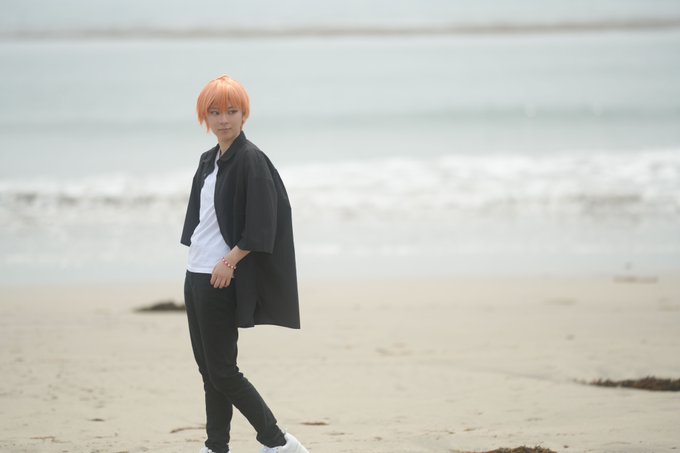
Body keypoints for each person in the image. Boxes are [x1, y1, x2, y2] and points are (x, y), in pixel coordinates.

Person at [180, 75, 309, 453]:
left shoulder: (251, 159)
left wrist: (230, 261)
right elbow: (201, 217)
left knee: (223, 371)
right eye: (215, 112)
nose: (224, 120)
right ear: (205, 117)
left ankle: (278, 442)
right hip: (195, 273)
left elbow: (263, 223)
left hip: (220, 276)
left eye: (232, 111)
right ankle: (215, 446)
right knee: (209, 371)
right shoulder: (209, 159)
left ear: (244, 114)